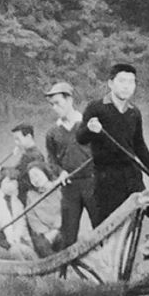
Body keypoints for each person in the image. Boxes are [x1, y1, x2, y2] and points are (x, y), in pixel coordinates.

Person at [77, 62, 149, 224]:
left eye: (131, 82)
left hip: (132, 175)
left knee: (142, 219)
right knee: (109, 223)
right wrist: (91, 129)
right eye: (122, 81)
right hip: (106, 177)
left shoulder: (134, 112)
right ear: (111, 83)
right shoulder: (96, 107)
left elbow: (139, 144)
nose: (126, 86)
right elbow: (80, 137)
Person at [44, 80, 96, 248]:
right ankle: (67, 264)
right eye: (52, 105)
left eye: (57, 103)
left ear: (69, 100)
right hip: (69, 186)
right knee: (68, 233)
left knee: (101, 226)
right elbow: (51, 160)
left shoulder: (88, 125)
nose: (54, 108)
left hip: (92, 183)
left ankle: (106, 261)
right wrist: (60, 173)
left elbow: (104, 151)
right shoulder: (52, 133)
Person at [24, 162, 63, 258]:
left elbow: (66, 210)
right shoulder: (31, 195)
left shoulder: (58, 188)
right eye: (32, 178)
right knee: (41, 245)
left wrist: (56, 229)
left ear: (45, 172)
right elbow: (32, 218)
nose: (36, 179)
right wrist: (45, 232)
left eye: (37, 175)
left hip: (61, 226)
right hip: (44, 233)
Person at [10, 123, 45, 205]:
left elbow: (17, 173)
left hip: (29, 196)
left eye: (18, 139)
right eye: (15, 140)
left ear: (28, 137)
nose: (16, 143)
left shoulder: (32, 155)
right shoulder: (29, 154)